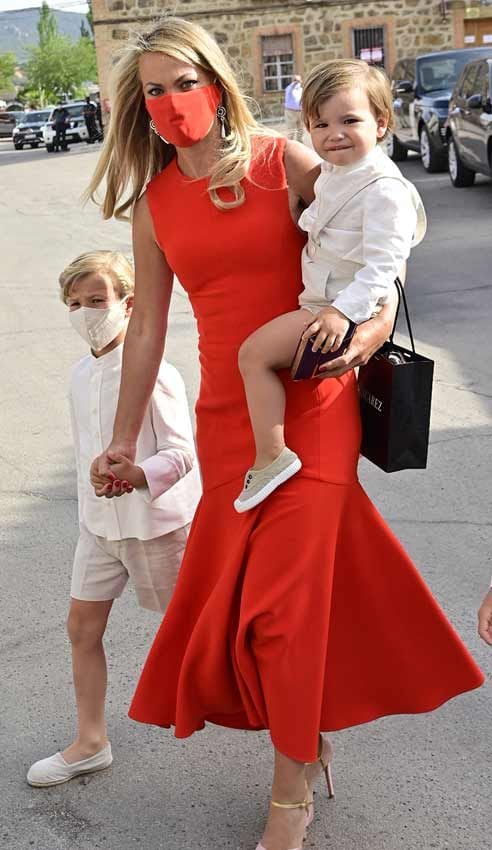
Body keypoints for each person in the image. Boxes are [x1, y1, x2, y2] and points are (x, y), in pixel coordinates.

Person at [88, 18, 483, 850]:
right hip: (233, 423)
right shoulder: (155, 203)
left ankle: (287, 794)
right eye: (153, 90)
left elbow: (380, 232)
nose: (171, 102)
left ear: (216, 83)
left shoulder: (283, 160)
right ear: (138, 106)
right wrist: (123, 441)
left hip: (315, 405)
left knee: (278, 615)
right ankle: (310, 740)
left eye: (182, 83)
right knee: (262, 608)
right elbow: (150, 331)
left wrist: (367, 336)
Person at [26, 250, 201, 788]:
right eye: (75, 304)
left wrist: (139, 474)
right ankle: (91, 742)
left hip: (157, 529)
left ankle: (299, 741)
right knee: (81, 628)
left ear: (130, 304)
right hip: (98, 530)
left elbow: (182, 453)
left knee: (204, 640)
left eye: (97, 300)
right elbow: (85, 456)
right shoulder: (82, 374)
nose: (85, 312)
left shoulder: (154, 372)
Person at [234, 60, 427, 512]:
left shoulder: (385, 190)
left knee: (253, 355)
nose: (333, 133)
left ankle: (272, 455)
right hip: (325, 301)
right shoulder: (338, 174)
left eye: (349, 121)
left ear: (381, 123)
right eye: (319, 124)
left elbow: (385, 267)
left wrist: (342, 313)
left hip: (334, 308)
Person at [284, 74, 303, 142]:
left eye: (298, 80)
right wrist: (294, 83)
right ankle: (290, 144)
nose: (297, 82)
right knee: (291, 130)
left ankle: (300, 144)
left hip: (300, 112)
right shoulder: (289, 88)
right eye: (295, 80)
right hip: (290, 112)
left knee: (300, 130)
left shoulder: (301, 90)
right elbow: (290, 90)